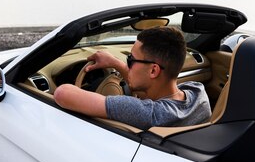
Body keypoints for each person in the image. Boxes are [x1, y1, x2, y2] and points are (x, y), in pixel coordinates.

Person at [54, 26, 212, 130]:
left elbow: (62, 93)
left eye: (131, 60)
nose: (127, 64)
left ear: (153, 70)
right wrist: (116, 63)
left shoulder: (147, 114)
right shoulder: (198, 92)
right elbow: (151, 93)